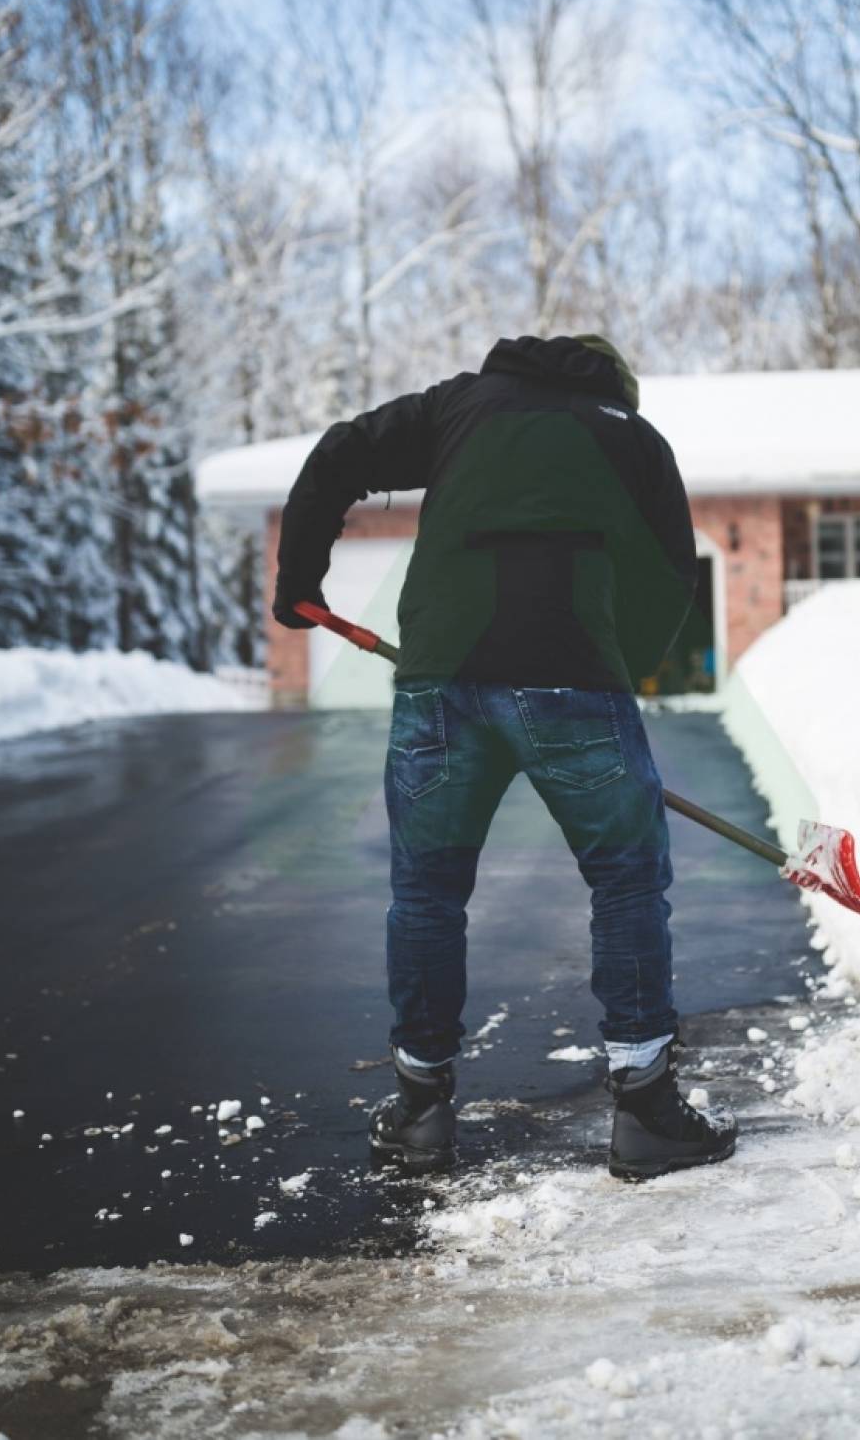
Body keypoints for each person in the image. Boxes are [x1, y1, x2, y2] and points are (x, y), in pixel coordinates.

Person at [273, 333, 736, 1181]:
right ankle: (644, 1110)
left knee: (427, 892)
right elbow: (671, 572)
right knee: (627, 880)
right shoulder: (632, 437)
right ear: (616, 388)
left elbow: (341, 450)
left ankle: (419, 1109)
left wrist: (297, 576)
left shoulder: (459, 406)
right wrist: (610, 664)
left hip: (441, 678)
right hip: (571, 679)